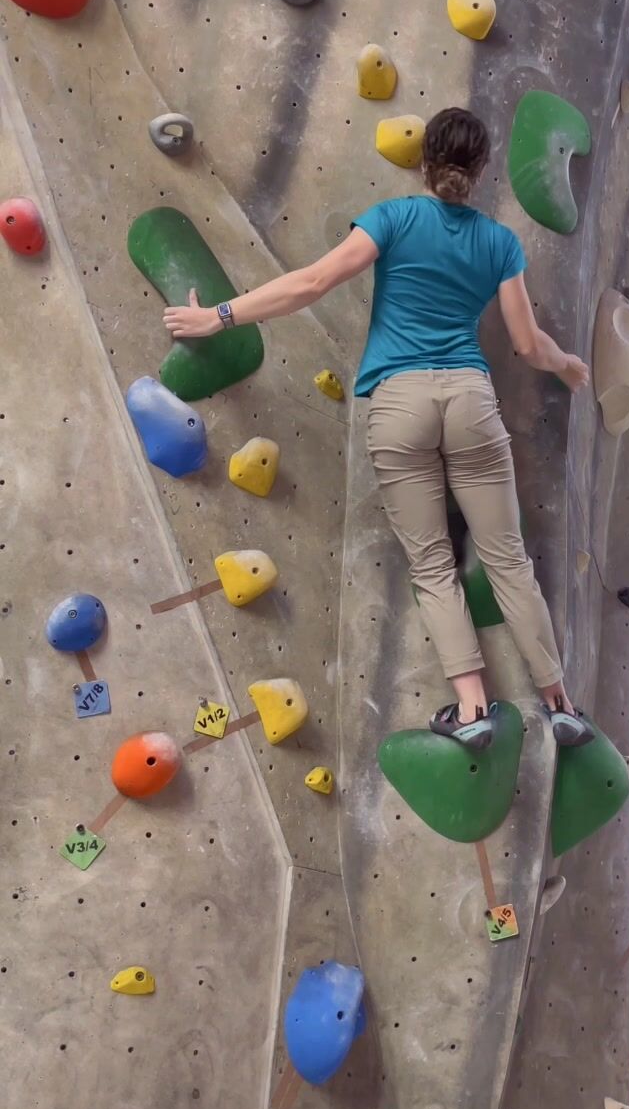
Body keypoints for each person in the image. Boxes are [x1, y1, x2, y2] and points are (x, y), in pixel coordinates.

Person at [163, 107, 592, 751]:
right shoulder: (501, 243)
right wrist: (567, 364)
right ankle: (560, 704)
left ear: (424, 162)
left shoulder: (392, 218)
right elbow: (528, 345)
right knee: (508, 559)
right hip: (470, 400)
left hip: (400, 402)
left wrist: (218, 317)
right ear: (481, 170)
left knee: (433, 563)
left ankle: (473, 708)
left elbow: (312, 282)